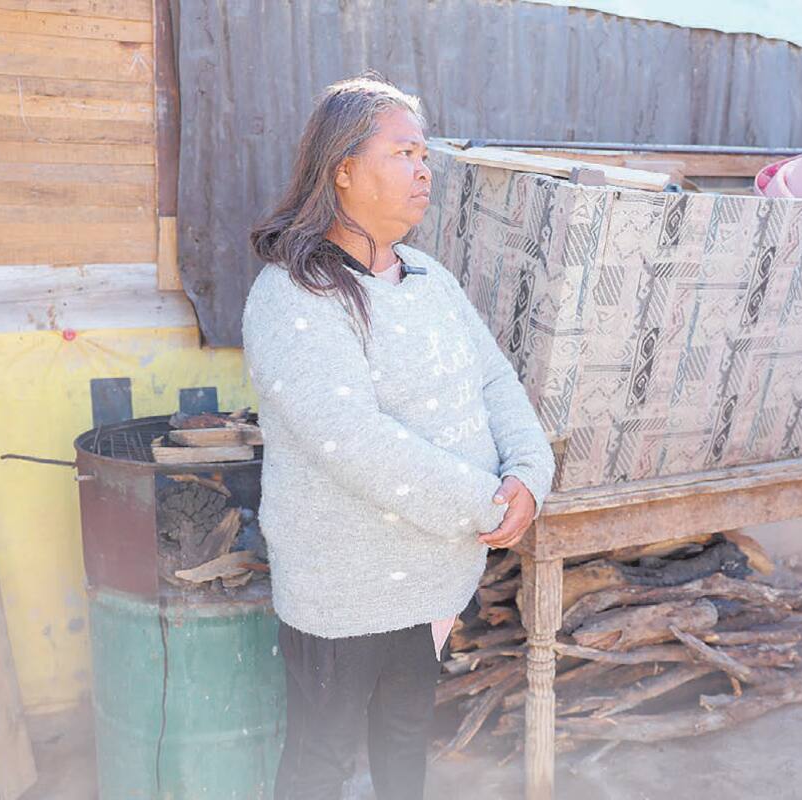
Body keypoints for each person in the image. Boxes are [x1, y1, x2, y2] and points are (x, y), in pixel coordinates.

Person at [243, 74, 555, 800]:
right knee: (321, 759)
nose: (424, 169)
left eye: (425, 155)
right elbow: (353, 440)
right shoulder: (294, 296)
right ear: (343, 168)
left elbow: (497, 382)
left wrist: (529, 474)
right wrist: (487, 502)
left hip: (433, 576)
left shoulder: (430, 281)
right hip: (344, 587)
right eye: (404, 152)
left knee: (407, 739)